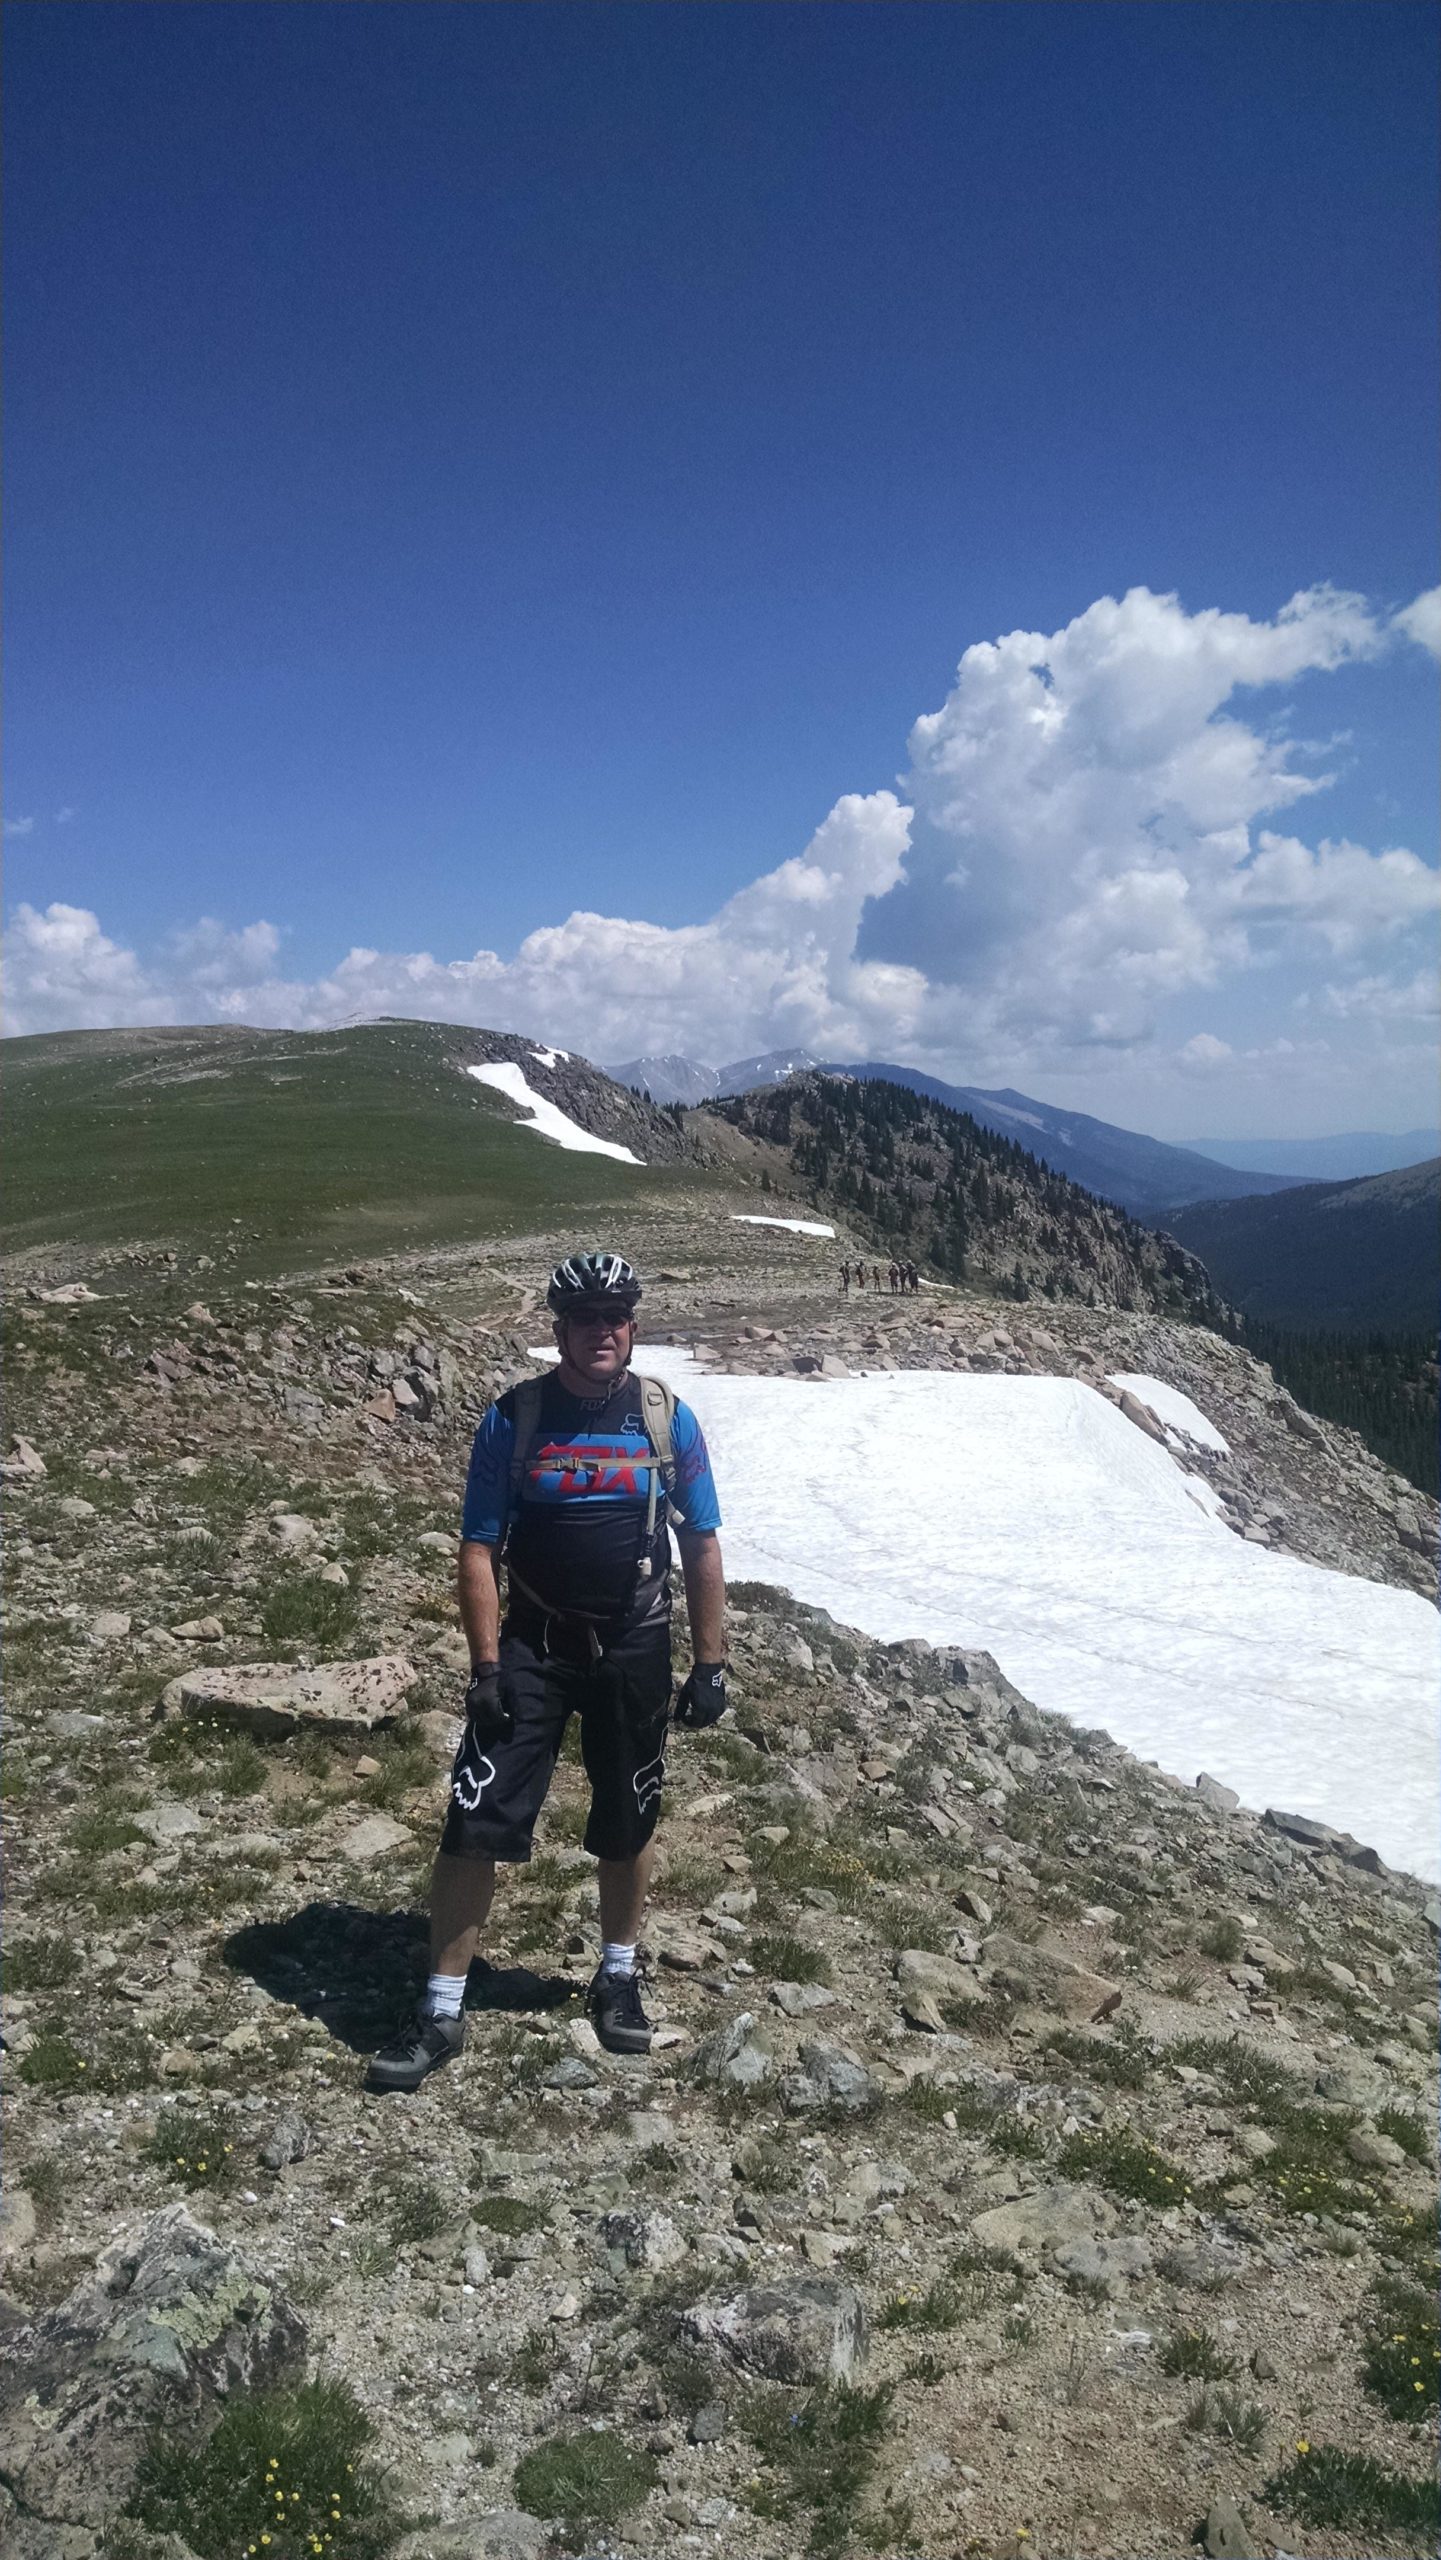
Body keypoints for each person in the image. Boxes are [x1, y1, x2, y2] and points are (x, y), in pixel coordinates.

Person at [367, 1250, 727, 2093]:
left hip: (634, 1641)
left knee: (628, 1813)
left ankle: (617, 1975)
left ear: (631, 1327)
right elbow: (479, 1547)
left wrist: (711, 1662)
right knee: (474, 1814)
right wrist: (485, 1666)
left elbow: (700, 1541)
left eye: (614, 1316)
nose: (600, 1331)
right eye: (583, 1318)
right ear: (558, 1330)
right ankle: (442, 2005)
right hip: (530, 1645)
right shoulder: (515, 1419)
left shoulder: (665, 1419)